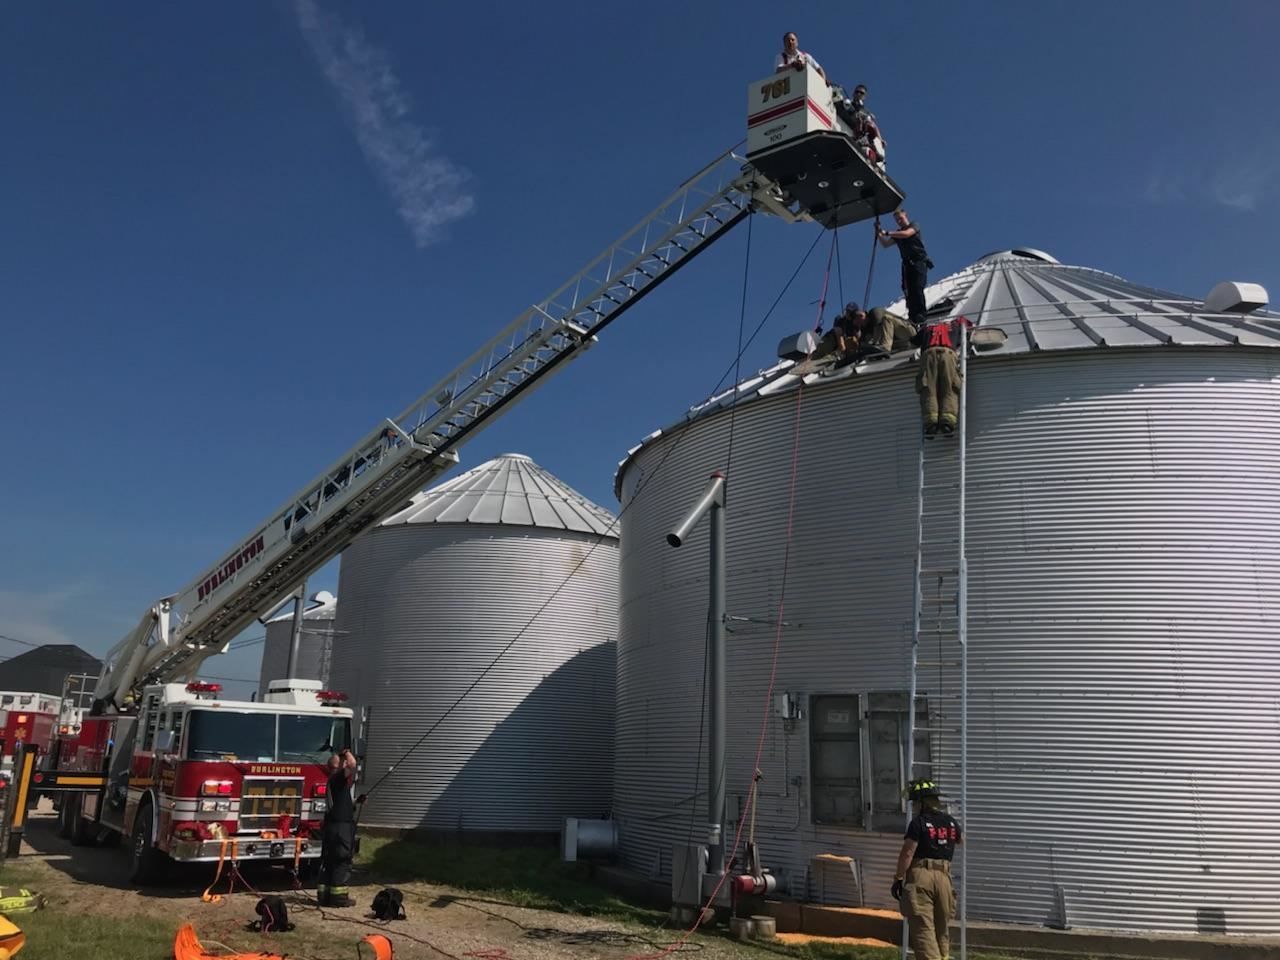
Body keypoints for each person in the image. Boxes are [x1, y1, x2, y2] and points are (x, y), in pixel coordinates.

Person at [892, 780, 962, 960]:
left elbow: (908, 853)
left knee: (923, 928)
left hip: (921, 876)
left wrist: (899, 878)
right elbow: (961, 840)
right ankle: (943, 956)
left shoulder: (918, 823)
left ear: (923, 803)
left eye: (915, 803)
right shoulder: (951, 822)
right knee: (941, 928)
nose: (914, 807)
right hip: (945, 878)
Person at [916, 314, 973, 435]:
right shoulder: (958, 326)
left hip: (928, 355)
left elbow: (913, 341)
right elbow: (967, 338)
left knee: (929, 389)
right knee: (949, 388)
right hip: (948, 354)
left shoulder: (927, 328)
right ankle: (947, 422)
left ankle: (930, 423)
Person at [317, 749, 360, 907]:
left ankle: (324, 896)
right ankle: (339, 898)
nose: (345, 764)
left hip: (331, 827)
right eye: (342, 762)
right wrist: (347, 751)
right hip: (340, 829)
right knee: (341, 860)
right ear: (337, 765)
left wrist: (355, 803)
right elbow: (353, 764)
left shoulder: (333, 781)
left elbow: (339, 805)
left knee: (329, 861)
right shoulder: (338, 778)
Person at [878, 210, 932, 326]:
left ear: (905, 215)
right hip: (907, 264)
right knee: (908, 291)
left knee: (918, 287)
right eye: (897, 220)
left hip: (918, 261)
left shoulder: (914, 225)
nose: (899, 221)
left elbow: (907, 234)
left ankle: (921, 315)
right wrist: (878, 233)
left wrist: (887, 232)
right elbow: (885, 244)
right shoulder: (897, 234)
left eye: (900, 218)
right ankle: (912, 316)